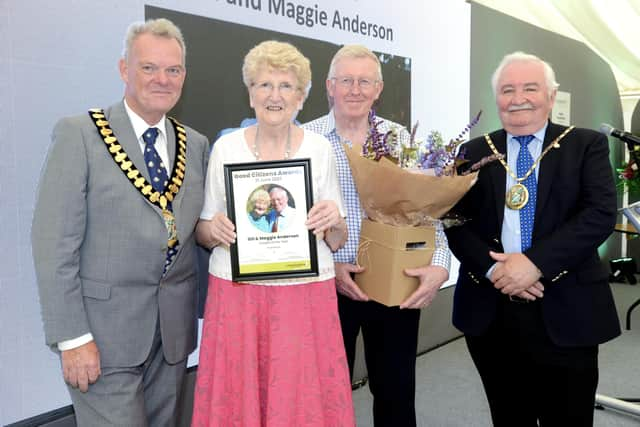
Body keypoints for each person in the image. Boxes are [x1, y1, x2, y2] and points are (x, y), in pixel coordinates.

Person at [31, 18, 210, 426]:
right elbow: (52, 244)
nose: (162, 79)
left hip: (173, 337)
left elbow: (195, 229)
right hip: (102, 340)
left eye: (173, 70)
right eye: (148, 67)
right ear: (124, 69)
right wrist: (72, 338)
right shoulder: (80, 135)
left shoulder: (195, 144)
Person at [445, 51, 621, 426]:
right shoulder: (473, 151)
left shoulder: (584, 145)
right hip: (491, 310)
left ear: (551, 96)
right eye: (507, 89)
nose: (518, 98)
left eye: (530, 88)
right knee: (509, 416)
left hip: (567, 305)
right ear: (496, 98)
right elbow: (455, 221)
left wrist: (533, 264)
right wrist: (497, 273)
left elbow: (599, 214)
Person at [191, 40, 355, 426]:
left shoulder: (320, 150)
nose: (274, 96)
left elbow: (338, 239)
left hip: (305, 292)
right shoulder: (225, 149)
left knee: (302, 396)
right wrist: (211, 229)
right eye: (264, 85)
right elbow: (201, 231)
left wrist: (333, 221)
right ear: (250, 94)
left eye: (286, 86)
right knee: (237, 397)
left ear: (301, 97)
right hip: (237, 293)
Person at [303, 44, 450, 426]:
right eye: (346, 80)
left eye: (364, 81)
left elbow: (427, 210)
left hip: (394, 284)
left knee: (396, 393)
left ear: (379, 89)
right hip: (326, 286)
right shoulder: (304, 140)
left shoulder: (401, 139)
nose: (355, 89)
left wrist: (439, 265)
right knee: (325, 396)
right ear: (329, 86)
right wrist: (330, 264)